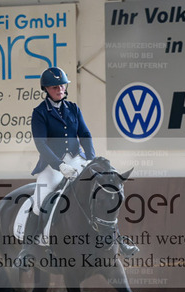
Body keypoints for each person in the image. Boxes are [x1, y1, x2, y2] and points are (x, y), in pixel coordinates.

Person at [17, 66, 137, 264]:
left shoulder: (73, 108)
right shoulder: (39, 113)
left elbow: (85, 135)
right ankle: (27, 250)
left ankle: (120, 242)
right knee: (39, 201)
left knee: (102, 191)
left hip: (77, 159)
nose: (60, 89)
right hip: (51, 165)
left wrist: (90, 159)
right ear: (46, 89)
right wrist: (59, 165)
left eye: (62, 86)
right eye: (55, 87)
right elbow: (41, 144)